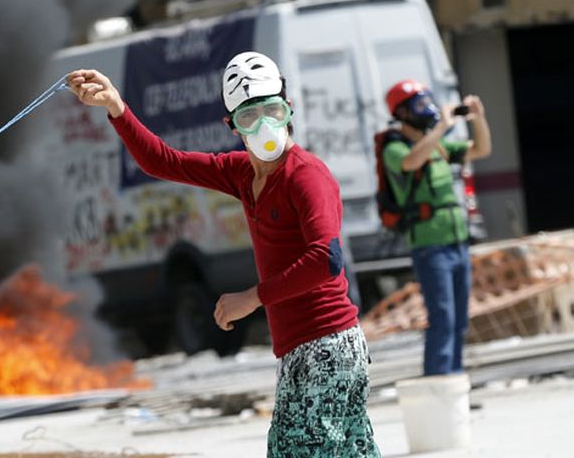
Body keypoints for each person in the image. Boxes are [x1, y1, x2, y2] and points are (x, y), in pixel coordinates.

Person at [68, 52, 379, 457]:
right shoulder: (242, 173)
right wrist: (116, 108)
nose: (266, 124)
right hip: (301, 349)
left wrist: (252, 298)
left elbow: (327, 259)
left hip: (328, 346)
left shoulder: (306, 176)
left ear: (289, 110)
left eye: (273, 109)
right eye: (251, 117)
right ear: (232, 126)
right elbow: (163, 161)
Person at [382, 80, 491, 376]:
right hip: (430, 247)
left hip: (457, 243)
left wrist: (477, 117)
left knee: (459, 320)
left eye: (427, 101)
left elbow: (481, 149)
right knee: (442, 318)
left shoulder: (439, 147)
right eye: (419, 104)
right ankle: (438, 381)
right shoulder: (393, 147)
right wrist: (443, 124)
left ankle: (453, 381)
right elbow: (410, 161)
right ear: (402, 112)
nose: (426, 109)